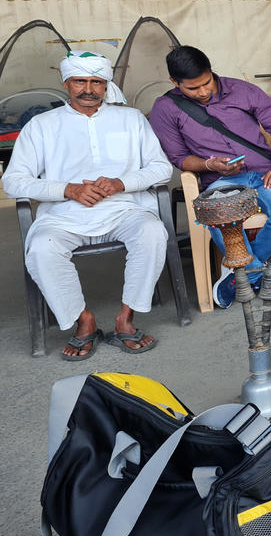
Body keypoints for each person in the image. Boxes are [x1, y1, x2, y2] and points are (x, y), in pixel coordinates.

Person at [3, 51, 171, 359]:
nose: (89, 89)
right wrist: (67, 189)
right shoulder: (41, 126)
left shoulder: (131, 119)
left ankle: (126, 317)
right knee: (42, 248)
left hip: (125, 209)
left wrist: (122, 183)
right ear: (66, 83)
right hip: (63, 216)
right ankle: (84, 320)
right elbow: (13, 181)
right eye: (80, 81)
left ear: (106, 86)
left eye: (97, 82)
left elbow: (162, 168)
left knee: (152, 233)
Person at [149, 45, 271, 308]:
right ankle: (259, 274)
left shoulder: (241, 90)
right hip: (221, 181)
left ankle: (240, 273)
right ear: (175, 82)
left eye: (207, 82)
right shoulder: (166, 108)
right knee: (220, 216)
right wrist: (210, 165)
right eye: (192, 88)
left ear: (211, 71)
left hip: (266, 172)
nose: (204, 92)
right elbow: (179, 158)